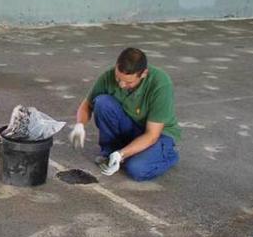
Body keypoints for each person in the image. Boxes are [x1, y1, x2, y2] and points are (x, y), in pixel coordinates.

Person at [69, 47, 181, 181]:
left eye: (129, 82)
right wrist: (80, 124)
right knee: (102, 102)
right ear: (116, 67)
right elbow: (87, 104)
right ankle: (110, 151)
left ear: (144, 74)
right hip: (132, 125)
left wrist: (122, 154)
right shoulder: (109, 75)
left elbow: (152, 135)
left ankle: (167, 154)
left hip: (158, 135)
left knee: (136, 169)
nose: (121, 84)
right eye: (118, 78)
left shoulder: (160, 84)